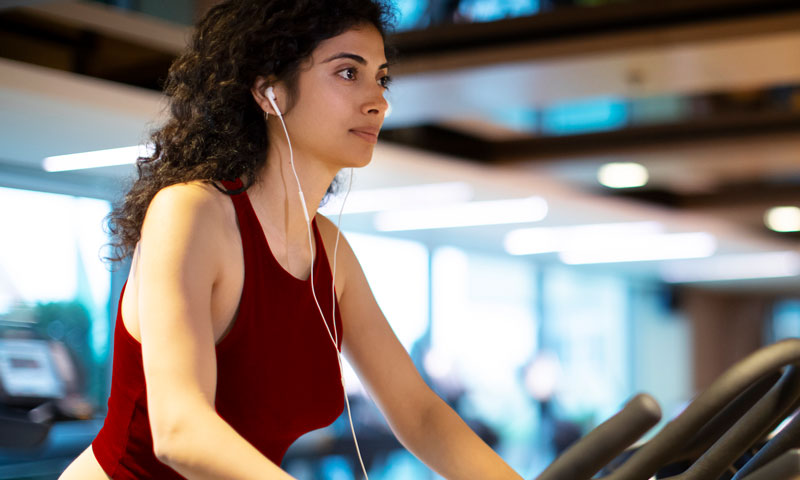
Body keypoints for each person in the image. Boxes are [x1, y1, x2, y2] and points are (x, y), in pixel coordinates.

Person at [57, 0, 521, 478]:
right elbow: (180, 430)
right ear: (268, 90)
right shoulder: (191, 213)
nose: (378, 101)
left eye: (381, 78)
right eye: (347, 73)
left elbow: (420, 416)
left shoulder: (329, 251)